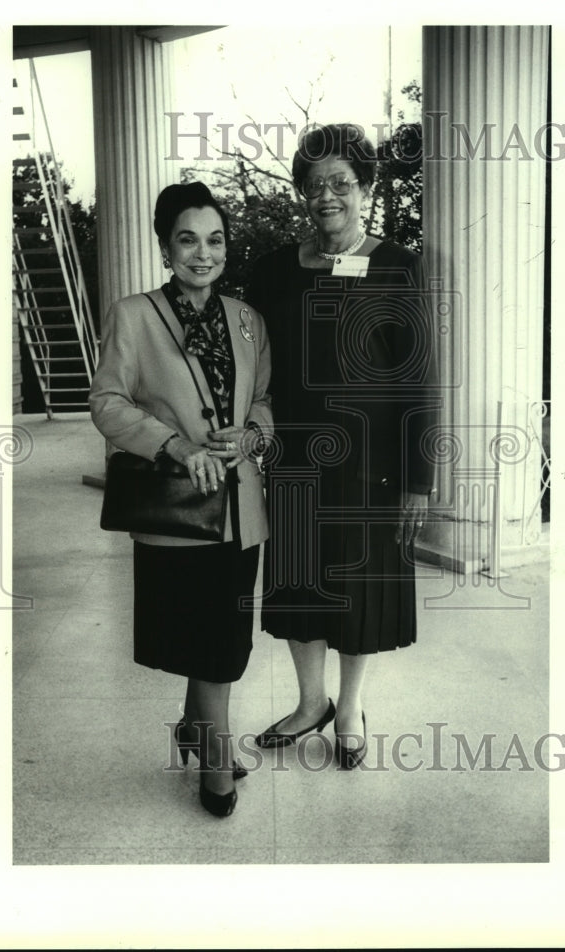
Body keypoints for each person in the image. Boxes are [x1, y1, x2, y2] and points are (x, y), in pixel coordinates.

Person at [247, 123, 438, 769]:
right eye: (313, 184)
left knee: (357, 591)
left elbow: (418, 378)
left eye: (340, 183)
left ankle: (349, 707)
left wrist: (419, 478)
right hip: (296, 459)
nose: (325, 195)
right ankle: (309, 703)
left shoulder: (396, 266)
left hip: (371, 467)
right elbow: (258, 368)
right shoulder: (272, 272)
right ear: (300, 191)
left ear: (365, 188)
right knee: (299, 585)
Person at [89, 182, 272, 817]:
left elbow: (266, 402)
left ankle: (196, 731)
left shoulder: (248, 319)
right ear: (166, 247)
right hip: (177, 510)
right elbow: (107, 403)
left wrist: (251, 435)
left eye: (215, 239)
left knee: (223, 639)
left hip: (241, 513)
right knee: (209, 642)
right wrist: (172, 445)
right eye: (188, 240)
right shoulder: (132, 315)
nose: (204, 253)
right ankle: (215, 765)